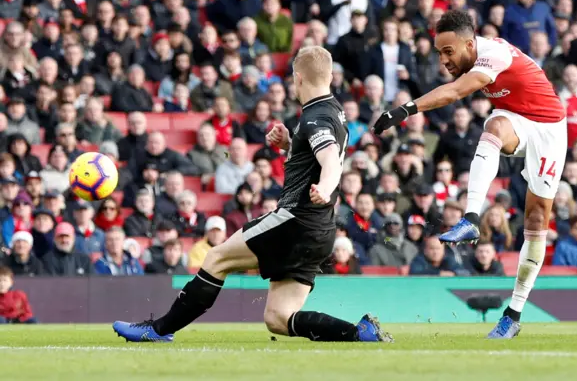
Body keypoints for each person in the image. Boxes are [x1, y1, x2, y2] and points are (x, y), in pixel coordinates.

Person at [113, 46, 391, 343]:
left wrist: (325, 186)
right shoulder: (333, 109)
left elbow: (331, 160)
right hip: (320, 231)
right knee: (278, 319)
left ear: (298, 78)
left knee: (217, 257)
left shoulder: (315, 117)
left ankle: (159, 330)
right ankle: (360, 333)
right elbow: (321, 152)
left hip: (296, 220)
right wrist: (291, 144)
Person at [373, 10, 567, 339]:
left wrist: (405, 110)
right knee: (492, 127)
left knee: (536, 221)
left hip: (549, 129)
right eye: (439, 53)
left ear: (469, 44)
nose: (444, 60)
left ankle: (514, 313)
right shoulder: (476, 55)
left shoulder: (494, 56)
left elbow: (453, 92)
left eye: (449, 52)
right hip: (515, 117)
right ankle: (471, 218)